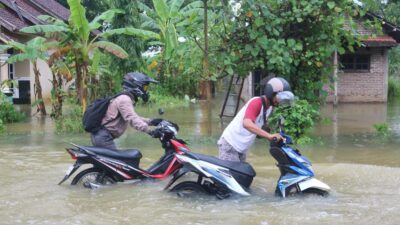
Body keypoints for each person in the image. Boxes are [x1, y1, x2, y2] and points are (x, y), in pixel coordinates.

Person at [217, 77, 295, 162]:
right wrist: (269, 136)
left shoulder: (269, 108)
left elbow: (259, 129)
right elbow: (247, 123)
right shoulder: (256, 102)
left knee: (242, 174)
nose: (280, 101)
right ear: (271, 93)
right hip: (230, 144)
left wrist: (277, 136)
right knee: (233, 174)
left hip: (242, 148)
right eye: (279, 97)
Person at [91, 72, 162, 149]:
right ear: (136, 86)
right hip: (103, 137)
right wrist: (150, 131)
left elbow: (133, 117)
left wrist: (152, 121)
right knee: (117, 160)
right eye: (144, 87)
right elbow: (132, 119)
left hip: (102, 136)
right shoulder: (125, 99)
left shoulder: (125, 98)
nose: (145, 90)